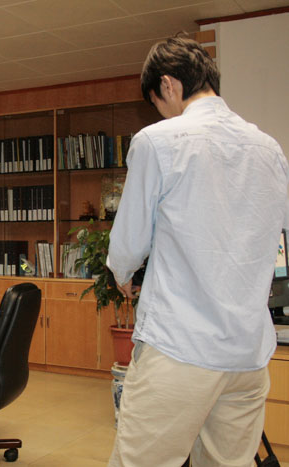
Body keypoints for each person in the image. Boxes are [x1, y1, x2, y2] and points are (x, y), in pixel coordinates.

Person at [106, 36, 289, 467]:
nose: (161, 113)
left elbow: (129, 242)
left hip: (180, 349)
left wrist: (122, 273)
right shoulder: (270, 148)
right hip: (246, 354)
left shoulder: (157, 141)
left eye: (158, 103)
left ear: (168, 85)